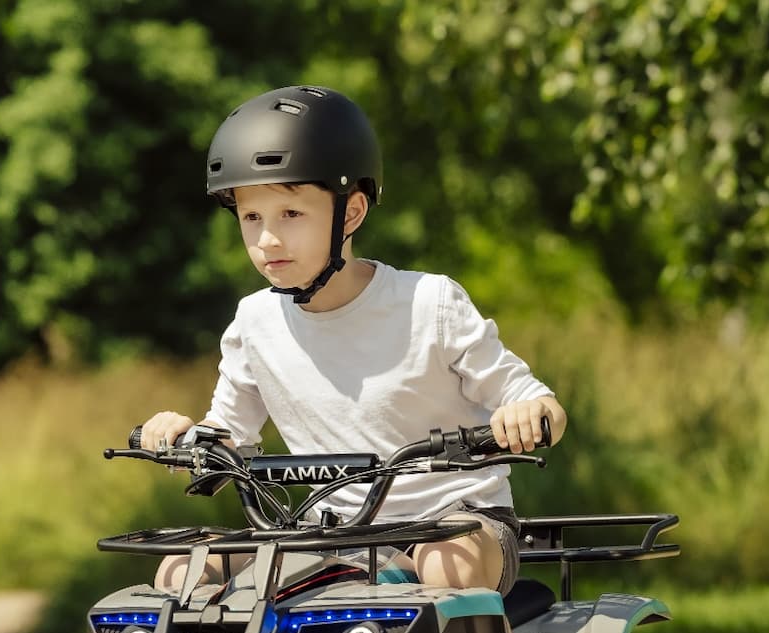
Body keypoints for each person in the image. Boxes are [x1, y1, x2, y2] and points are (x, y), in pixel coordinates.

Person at [137, 84, 567, 601]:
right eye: (252, 218)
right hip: (329, 533)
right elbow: (228, 438)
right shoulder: (254, 321)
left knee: (447, 565)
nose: (267, 239)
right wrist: (184, 436)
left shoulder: (429, 303)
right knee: (183, 570)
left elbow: (538, 404)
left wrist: (527, 414)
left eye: (291, 214)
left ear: (354, 212)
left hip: (455, 522)